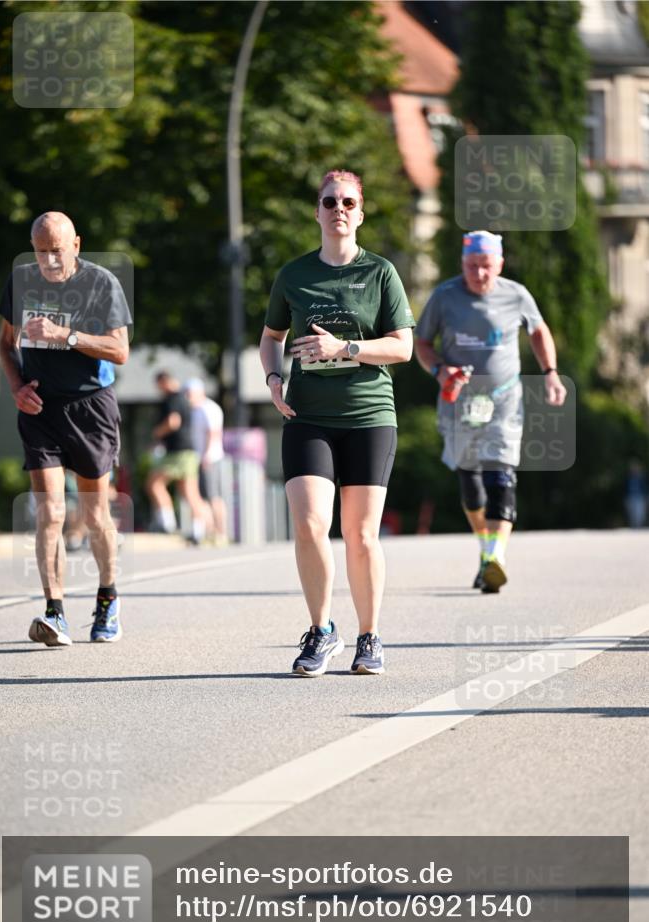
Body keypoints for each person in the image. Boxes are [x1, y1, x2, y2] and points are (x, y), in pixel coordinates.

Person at [260, 169, 414, 677]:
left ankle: (369, 637)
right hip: (308, 416)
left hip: (369, 416)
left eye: (349, 201)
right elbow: (270, 337)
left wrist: (344, 348)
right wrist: (273, 377)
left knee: (361, 534)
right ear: (318, 211)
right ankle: (322, 630)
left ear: (361, 213)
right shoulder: (295, 275)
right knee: (308, 525)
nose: (339, 209)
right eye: (330, 201)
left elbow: (402, 347)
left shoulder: (381, 273)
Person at [0, 211, 131, 644]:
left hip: (91, 406)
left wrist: (64, 334)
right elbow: (5, 342)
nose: (50, 260)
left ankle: (107, 600)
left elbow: (120, 350)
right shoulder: (21, 281)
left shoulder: (100, 283)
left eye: (57, 250)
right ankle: (54, 611)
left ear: (76, 244)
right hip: (40, 408)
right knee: (51, 512)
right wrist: (17, 386)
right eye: (41, 251)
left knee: (94, 515)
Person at [415, 230, 567, 592]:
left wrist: (550, 373)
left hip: (504, 400)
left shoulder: (516, 295)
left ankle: (495, 555)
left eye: (486, 266)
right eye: (472, 266)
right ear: (461, 264)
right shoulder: (445, 296)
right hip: (460, 401)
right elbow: (421, 343)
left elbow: (538, 330)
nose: (479, 274)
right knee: (471, 484)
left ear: (499, 264)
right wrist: (439, 370)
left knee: (501, 476)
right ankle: (487, 554)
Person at [146, 372, 210, 543]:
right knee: (190, 493)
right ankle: (198, 531)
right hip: (188, 451)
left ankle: (167, 523)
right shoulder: (183, 398)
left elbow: (173, 422)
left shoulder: (172, 398)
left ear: (164, 382)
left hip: (177, 452)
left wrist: (157, 432)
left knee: (154, 484)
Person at [185, 378, 228, 545]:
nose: (188, 398)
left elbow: (213, 433)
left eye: (190, 394)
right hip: (197, 458)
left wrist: (208, 454)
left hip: (210, 458)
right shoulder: (194, 410)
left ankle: (221, 532)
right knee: (201, 497)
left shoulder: (209, 409)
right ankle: (208, 531)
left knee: (213, 496)